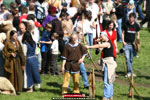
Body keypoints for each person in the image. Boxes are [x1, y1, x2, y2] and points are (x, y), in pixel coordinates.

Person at [85, 32, 117, 100]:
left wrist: (89, 46)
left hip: (109, 63)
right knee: (109, 80)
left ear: (106, 36)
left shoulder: (108, 43)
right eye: (100, 37)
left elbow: (100, 46)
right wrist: (98, 42)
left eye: (101, 37)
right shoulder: (105, 43)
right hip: (107, 63)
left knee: (107, 80)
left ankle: (106, 96)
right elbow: (98, 50)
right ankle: (110, 96)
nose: (100, 38)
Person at [122, 13, 140, 78]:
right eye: (130, 17)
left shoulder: (136, 25)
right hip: (126, 44)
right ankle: (129, 72)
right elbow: (122, 33)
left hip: (133, 45)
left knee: (131, 59)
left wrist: (137, 41)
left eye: (132, 18)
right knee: (127, 58)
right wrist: (123, 41)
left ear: (134, 18)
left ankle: (130, 71)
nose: (130, 19)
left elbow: (138, 34)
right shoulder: (125, 25)